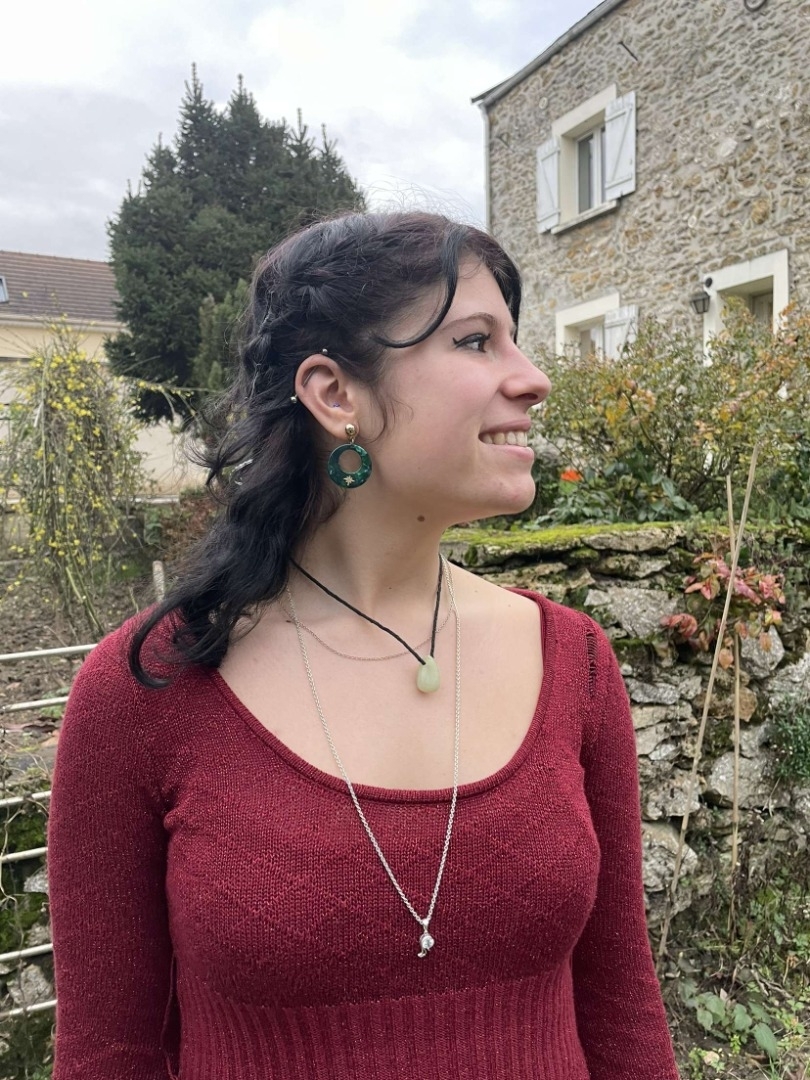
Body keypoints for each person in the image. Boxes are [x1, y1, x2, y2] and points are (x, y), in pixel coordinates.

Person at [48, 211, 680, 1079]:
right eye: (475, 341)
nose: (533, 379)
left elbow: (623, 1015)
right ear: (335, 394)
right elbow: (107, 1056)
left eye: (515, 339)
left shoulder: (574, 660)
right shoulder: (148, 689)